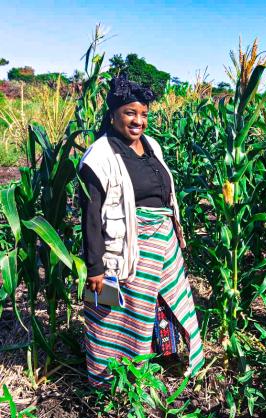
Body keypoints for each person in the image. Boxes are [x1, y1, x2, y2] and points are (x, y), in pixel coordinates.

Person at [79, 75, 205, 387]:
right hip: (118, 251)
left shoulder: (152, 146)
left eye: (144, 114)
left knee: (161, 303)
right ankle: (106, 375)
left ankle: (151, 359)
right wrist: (94, 267)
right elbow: (91, 216)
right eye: (130, 113)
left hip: (161, 242)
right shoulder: (99, 156)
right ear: (113, 115)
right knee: (108, 311)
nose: (138, 121)